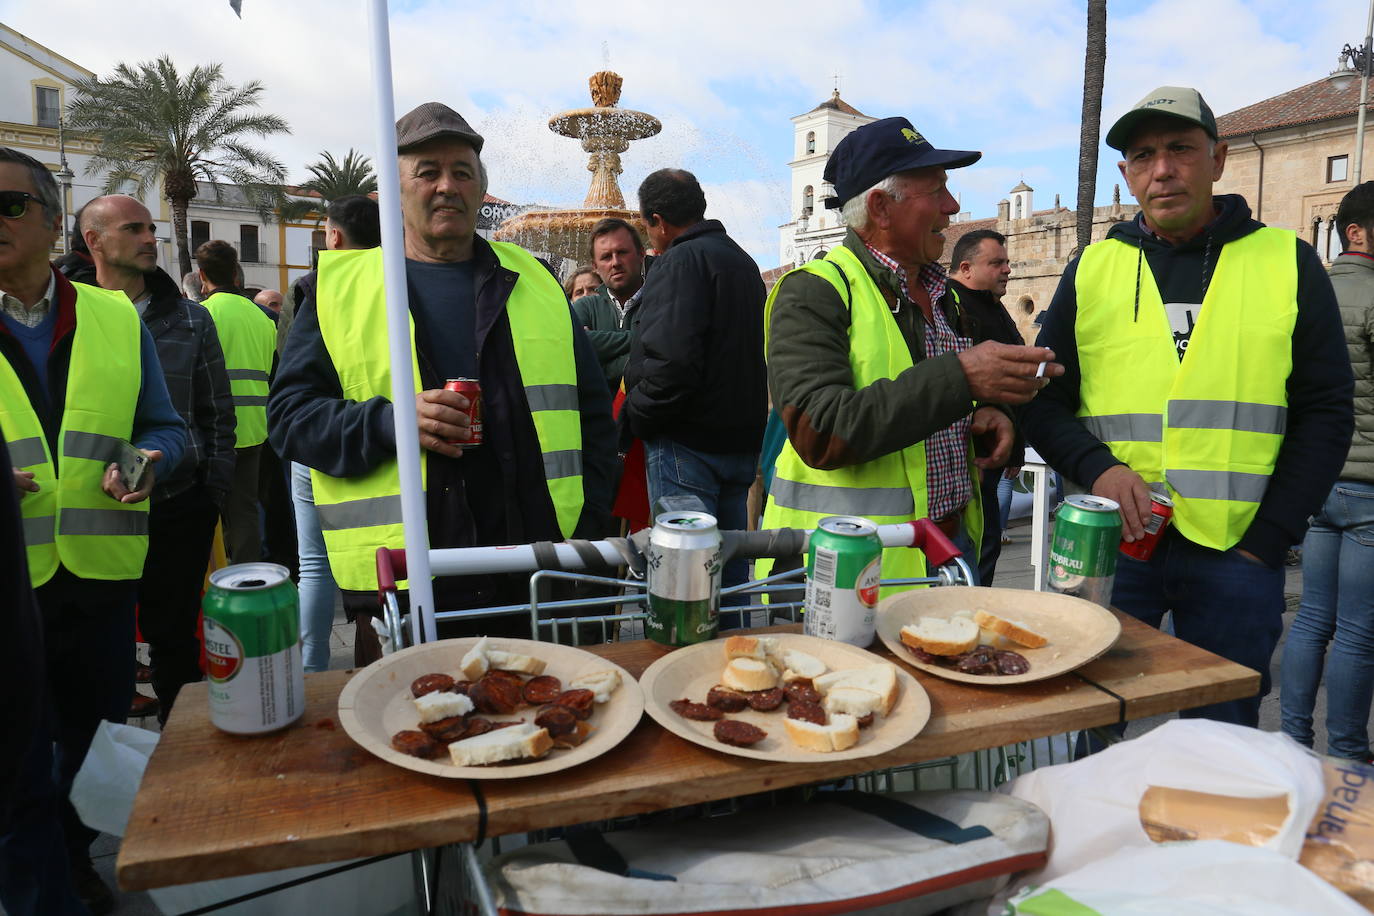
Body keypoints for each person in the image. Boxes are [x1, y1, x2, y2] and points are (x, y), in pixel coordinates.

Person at [1022, 86, 1353, 728]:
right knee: (1093, 733)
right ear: (1126, 174)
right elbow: (1044, 401)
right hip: (1114, 550)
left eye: (1180, 149)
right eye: (1143, 156)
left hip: (1237, 556)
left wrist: (1268, 538)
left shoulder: (1288, 263)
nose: (1162, 169)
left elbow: (1326, 412)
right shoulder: (1092, 269)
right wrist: (1099, 469)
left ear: (1219, 159)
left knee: (1221, 747)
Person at [269, 102, 615, 661]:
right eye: (427, 171)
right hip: (406, 585)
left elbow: (594, 420)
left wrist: (588, 525)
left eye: (461, 171)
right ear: (394, 192)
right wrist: (390, 422)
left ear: (482, 188)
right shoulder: (334, 291)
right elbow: (288, 421)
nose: (446, 186)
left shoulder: (538, 284)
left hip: (532, 577)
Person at [0, 147, 185, 915]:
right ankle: (36, 895)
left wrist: (148, 460)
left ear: (51, 221)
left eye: (8, 205)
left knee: (92, 745)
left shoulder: (112, 316)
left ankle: (75, 863)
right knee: (15, 764)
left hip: (101, 581)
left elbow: (166, 429)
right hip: (8, 588)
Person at [760, 118, 1056, 590]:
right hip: (846, 573)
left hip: (948, 557)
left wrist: (984, 413)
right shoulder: (814, 292)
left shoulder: (946, 295)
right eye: (937, 190)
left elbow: (930, 400)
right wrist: (963, 379)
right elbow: (819, 431)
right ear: (880, 207)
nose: (953, 206)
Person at [65, 196, 235, 724]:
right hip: (86, 511)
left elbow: (216, 413)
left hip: (177, 505)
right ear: (93, 240)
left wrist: (213, 495)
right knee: (93, 641)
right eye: (133, 228)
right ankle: (100, 760)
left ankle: (181, 749)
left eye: (151, 228)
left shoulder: (190, 320)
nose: (148, 239)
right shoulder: (64, 315)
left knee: (174, 639)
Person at [623, 169, 767, 602]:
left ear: (658, 221)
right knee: (730, 573)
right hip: (738, 442)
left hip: (687, 445)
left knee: (687, 582)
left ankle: (687, 667)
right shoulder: (742, 260)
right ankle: (737, 663)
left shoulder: (679, 261)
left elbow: (671, 362)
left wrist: (637, 415)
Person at [1281, 181, 1374, 760]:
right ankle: (1345, 751)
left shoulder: (1302, 293)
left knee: (1313, 617)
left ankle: (1291, 742)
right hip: (1368, 485)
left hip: (1315, 480)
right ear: (1358, 231)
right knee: (1359, 630)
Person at [288, 194, 380, 671]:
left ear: (335, 236)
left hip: (318, 440)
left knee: (314, 565)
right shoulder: (399, 283)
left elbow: (292, 379)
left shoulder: (317, 287)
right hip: (382, 448)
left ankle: (312, 670)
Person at [948, 228, 1026, 584]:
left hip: (993, 455)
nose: (1007, 269)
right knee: (972, 552)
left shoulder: (991, 306)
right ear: (965, 268)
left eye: (1007, 262)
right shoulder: (951, 305)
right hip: (968, 460)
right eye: (996, 263)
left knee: (987, 545)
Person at [196, 239, 276, 563]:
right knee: (244, 510)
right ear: (236, 274)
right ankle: (248, 577)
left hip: (213, 431)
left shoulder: (201, 315)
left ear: (202, 275)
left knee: (205, 513)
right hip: (257, 429)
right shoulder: (262, 318)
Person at [573, 218, 648, 393]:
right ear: (595, 267)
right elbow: (575, 353)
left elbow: (665, 359)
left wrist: (600, 359)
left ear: (641, 254)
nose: (615, 262)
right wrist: (643, 341)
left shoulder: (661, 301)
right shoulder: (585, 307)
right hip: (600, 417)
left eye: (622, 252)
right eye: (606, 257)